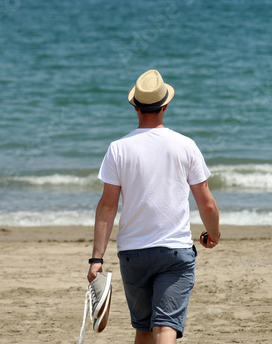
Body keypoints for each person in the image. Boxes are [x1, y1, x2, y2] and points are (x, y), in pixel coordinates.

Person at [87, 69, 220, 344]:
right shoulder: (186, 145)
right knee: (166, 326)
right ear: (165, 106)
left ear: (135, 106)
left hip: (132, 254)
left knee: (145, 329)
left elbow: (107, 207)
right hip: (174, 252)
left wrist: (96, 259)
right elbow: (205, 201)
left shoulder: (118, 148)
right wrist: (213, 235)